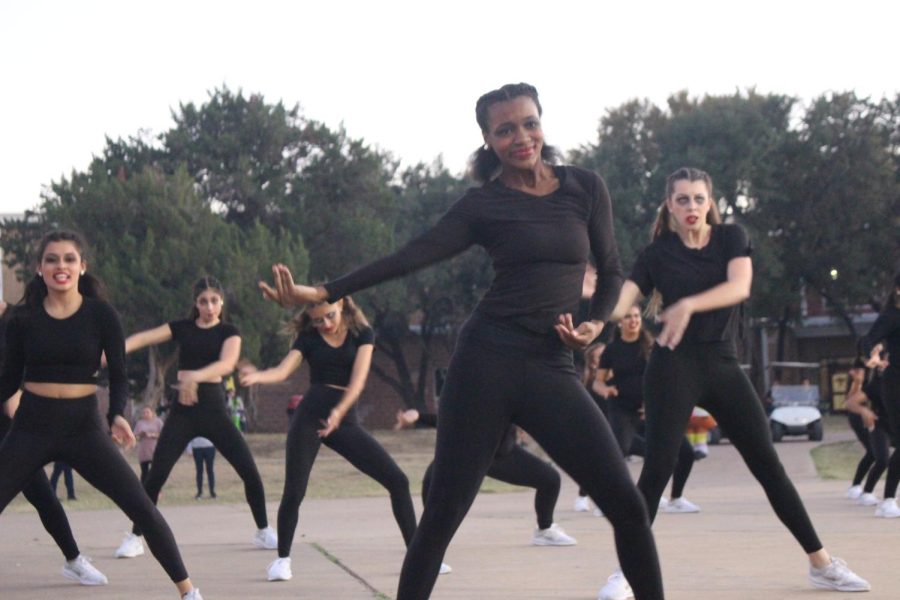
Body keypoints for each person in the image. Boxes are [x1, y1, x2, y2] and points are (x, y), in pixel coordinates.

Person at [260, 82, 663, 600]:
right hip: (485, 365)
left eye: (529, 123)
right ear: (488, 139)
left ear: (542, 122)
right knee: (444, 514)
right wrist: (322, 291)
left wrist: (596, 324)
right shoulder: (483, 204)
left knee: (627, 506)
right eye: (506, 129)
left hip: (551, 366)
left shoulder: (585, 187)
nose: (522, 137)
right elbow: (411, 255)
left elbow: (610, 271)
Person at [598, 167, 869, 599]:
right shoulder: (655, 255)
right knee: (657, 470)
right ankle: (625, 573)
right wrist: (592, 292)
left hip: (723, 366)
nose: (691, 207)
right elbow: (619, 308)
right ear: (669, 205)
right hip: (672, 368)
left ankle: (822, 564)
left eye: (699, 199)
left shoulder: (731, 238)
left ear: (711, 203)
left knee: (769, 467)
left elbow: (739, 286)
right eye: (682, 199)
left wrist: (687, 304)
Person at [0, 230, 201, 599]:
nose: (61, 266)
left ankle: (188, 591)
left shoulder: (101, 315)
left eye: (68, 259)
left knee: (141, 507)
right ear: (38, 268)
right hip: (31, 426)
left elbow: (120, 375)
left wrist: (117, 416)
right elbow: (8, 380)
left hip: (83, 427)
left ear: (82, 266)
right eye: (52, 259)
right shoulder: (22, 319)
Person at [239, 296, 422, 582]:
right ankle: (282, 560)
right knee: (294, 491)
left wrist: (339, 412)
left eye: (330, 316)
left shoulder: (363, 334)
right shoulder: (309, 337)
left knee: (398, 481)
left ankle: (421, 558)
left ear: (344, 307)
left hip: (344, 419)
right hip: (310, 416)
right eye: (317, 319)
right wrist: (260, 376)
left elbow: (358, 381)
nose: (324, 323)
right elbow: (284, 370)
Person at [114, 276, 276, 560]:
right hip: (183, 412)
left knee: (249, 471)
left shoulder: (229, 332)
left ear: (222, 302)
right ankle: (135, 537)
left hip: (213, 409)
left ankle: (263, 530)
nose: (209, 306)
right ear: (195, 303)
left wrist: (194, 378)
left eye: (214, 300)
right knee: (155, 476)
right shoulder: (183, 328)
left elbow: (227, 364)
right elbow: (144, 337)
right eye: (203, 301)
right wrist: (116, 350)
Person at [394, 408, 577, 546]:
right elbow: (450, 419)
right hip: (470, 453)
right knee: (434, 480)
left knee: (550, 479)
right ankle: (426, 540)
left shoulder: (515, 381)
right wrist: (419, 416)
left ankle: (544, 530)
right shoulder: (476, 382)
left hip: (503, 455)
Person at [593, 303, 700, 514]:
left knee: (685, 452)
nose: (633, 321)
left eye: (636, 317)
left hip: (650, 409)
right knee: (619, 450)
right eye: (628, 317)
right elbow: (598, 382)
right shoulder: (612, 350)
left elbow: (663, 378)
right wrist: (605, 389)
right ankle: (606, 500)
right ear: (620, 322)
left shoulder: (650, 346)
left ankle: (676, 498)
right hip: (622, 409)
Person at [860, 272, 900, 518]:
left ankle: (888, 499)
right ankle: (887, 501)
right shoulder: (891, 316)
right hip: (896, 384)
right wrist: (873, 358)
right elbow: (868, 340)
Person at [845, 348, 893, 510]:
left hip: (896, 425)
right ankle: (867, 492)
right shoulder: (877, 384)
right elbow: (850, 402)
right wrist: (865, 411)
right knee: (881, 459)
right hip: (880, 425)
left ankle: (889, 496)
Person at [574, 342, 607, 513]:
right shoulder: (583, 380)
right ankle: (582, 496)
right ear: (593, 362)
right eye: (600, 357)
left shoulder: (612, 376)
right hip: (589, 428)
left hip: (613, 427)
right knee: (596, 463)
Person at [134, 405, 164, 485]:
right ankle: (143, 489)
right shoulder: (139, 423)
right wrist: (140, 435)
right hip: (143, 451)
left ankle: (156, 489)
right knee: (144, 472)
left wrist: (152, 435)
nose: (145, 414)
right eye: (144, 412)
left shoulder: (158, 422)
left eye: (147, 412)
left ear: (152, 413)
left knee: (155, 472)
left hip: (155, 450)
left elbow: (163, 435)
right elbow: (135, 436)